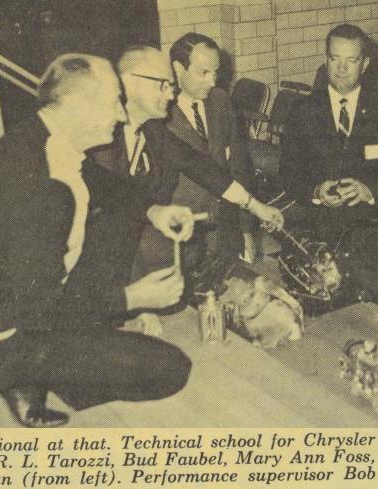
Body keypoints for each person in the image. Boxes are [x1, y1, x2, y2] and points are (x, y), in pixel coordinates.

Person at [0, 54, 198, 427]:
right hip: (1, 343)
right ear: (77, 104)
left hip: (3, 301)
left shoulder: (42, 136)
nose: (122, 115)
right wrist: (131, 298)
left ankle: (72, 358)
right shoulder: (42, 190)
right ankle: (28, 378)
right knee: (169, 368)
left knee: (123, 218)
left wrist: (154, 209)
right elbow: (38, 308)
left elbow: (98, 180)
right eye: (114, 103)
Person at [90, 47, 283, 334]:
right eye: (163, 85)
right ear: (129, 82)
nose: (171, 94)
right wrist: (135, 303)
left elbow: (202, 168)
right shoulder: (97, 139)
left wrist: (255, 206)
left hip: (139, 276)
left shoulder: (153, 131)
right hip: (100, 286)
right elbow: (103, 230)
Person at [279, 23, 378, 301]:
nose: (341, 69)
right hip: (319, 236)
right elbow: (288, 174)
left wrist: (369, 190)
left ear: (365, 63)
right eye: (334, 59)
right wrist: (317, 192)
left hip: (374, 235)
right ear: (326, 59)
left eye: (351, 61)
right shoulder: (302, 111)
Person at [165, 33, 256, 267]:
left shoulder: (221, 100)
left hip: (225, 234)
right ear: (178, 68)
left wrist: (245, 229)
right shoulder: (161, 113)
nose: (212, 81)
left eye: (215, 72)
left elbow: (239, 167)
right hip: (181, 240)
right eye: (203, 73)